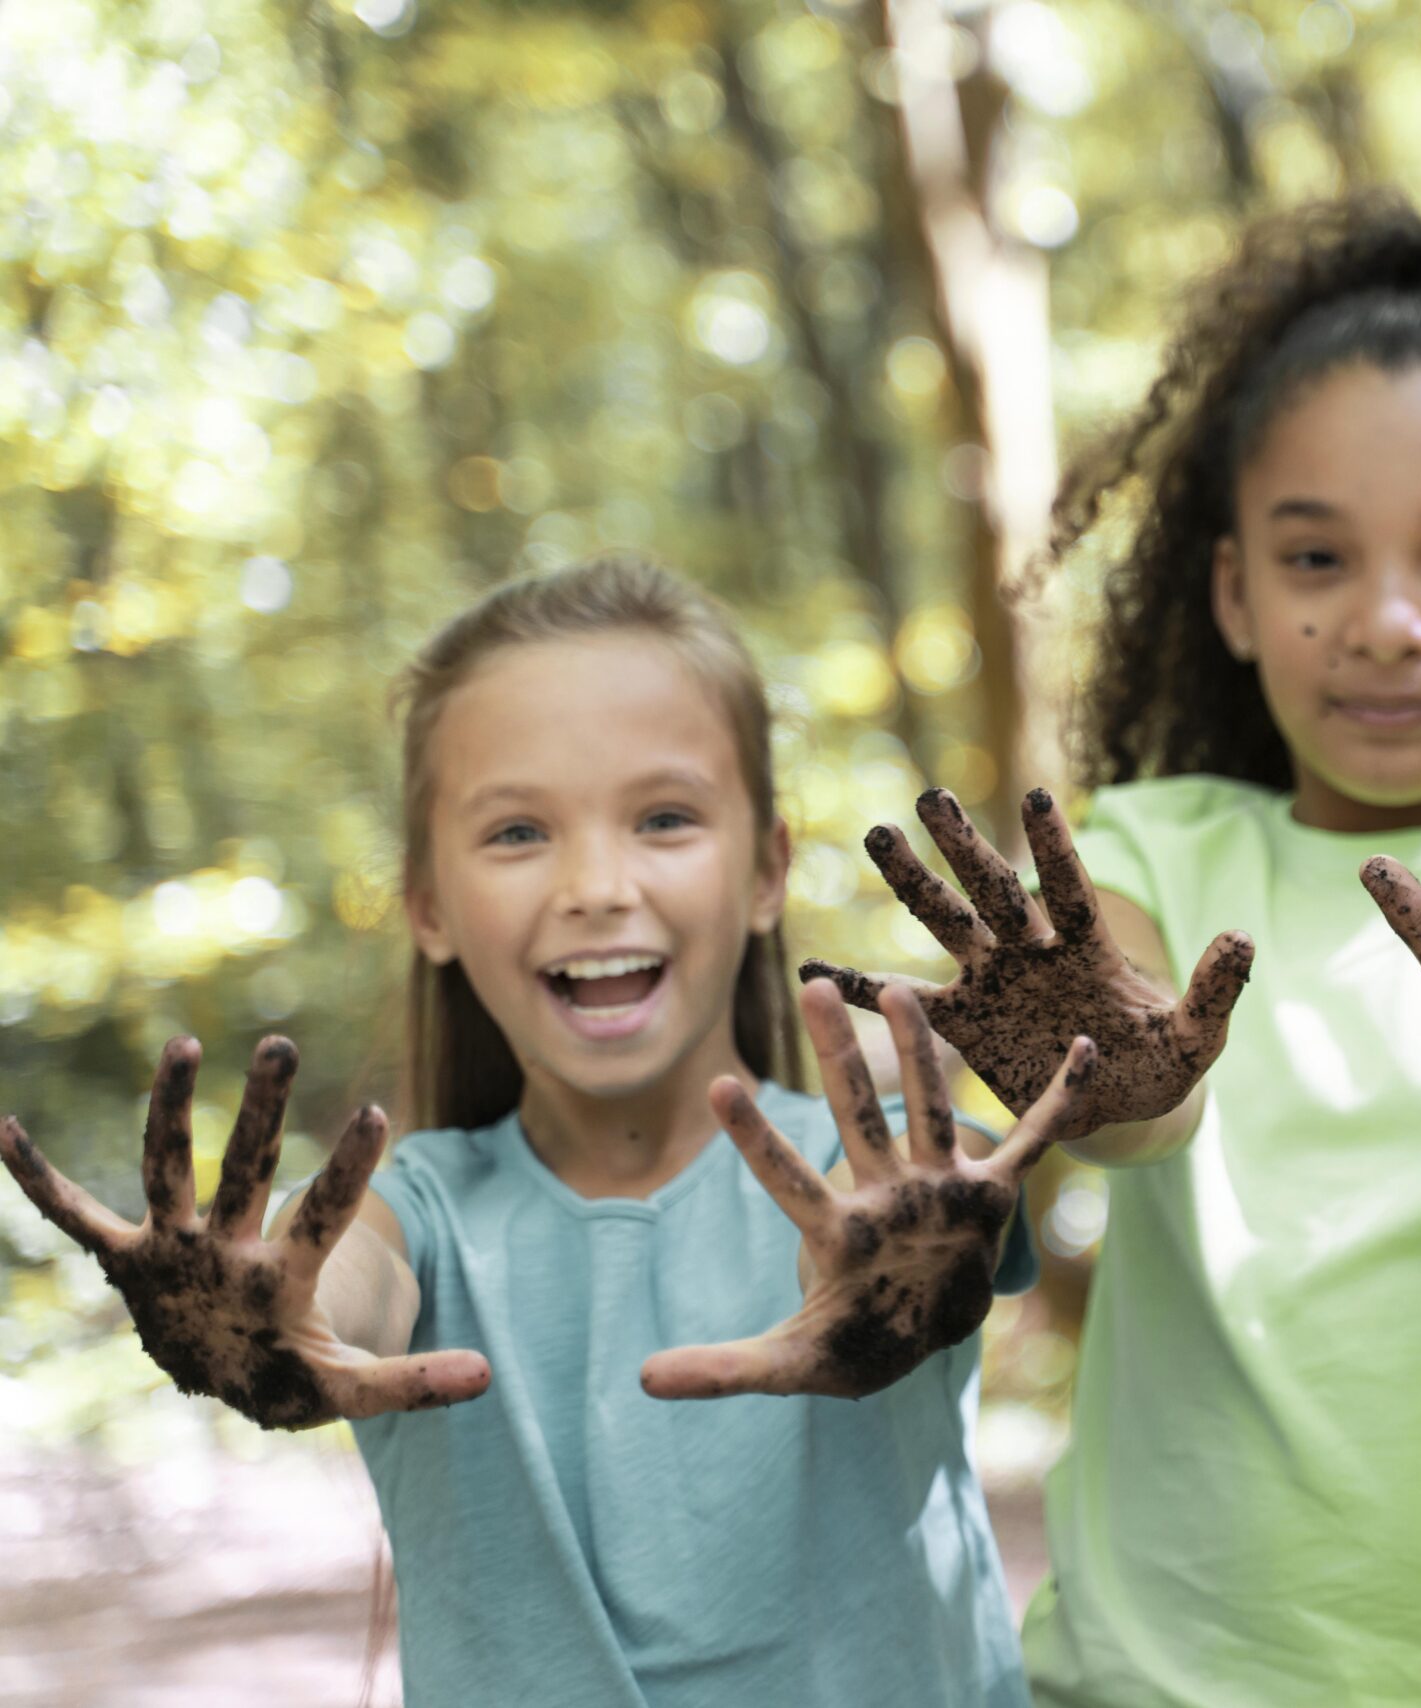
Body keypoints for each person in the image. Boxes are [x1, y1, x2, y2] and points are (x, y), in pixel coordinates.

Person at [806, 197, 1421, 1707]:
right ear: (1235, 596)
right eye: (1317, 558)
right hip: (1165, 1681)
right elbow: (1145, 1085)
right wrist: (1108, 1066)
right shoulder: (1149, 850)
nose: (1387, 620)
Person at [0, 555, 1091, 1707]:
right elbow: (342, 1281)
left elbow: (962, 1202)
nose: (595, 884)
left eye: (663, 818)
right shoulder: (415, 1207)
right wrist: (275, 1310)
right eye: (519, 832)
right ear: (427, 902)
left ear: (766, 870)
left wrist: (982, 1195)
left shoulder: (873, 1186)